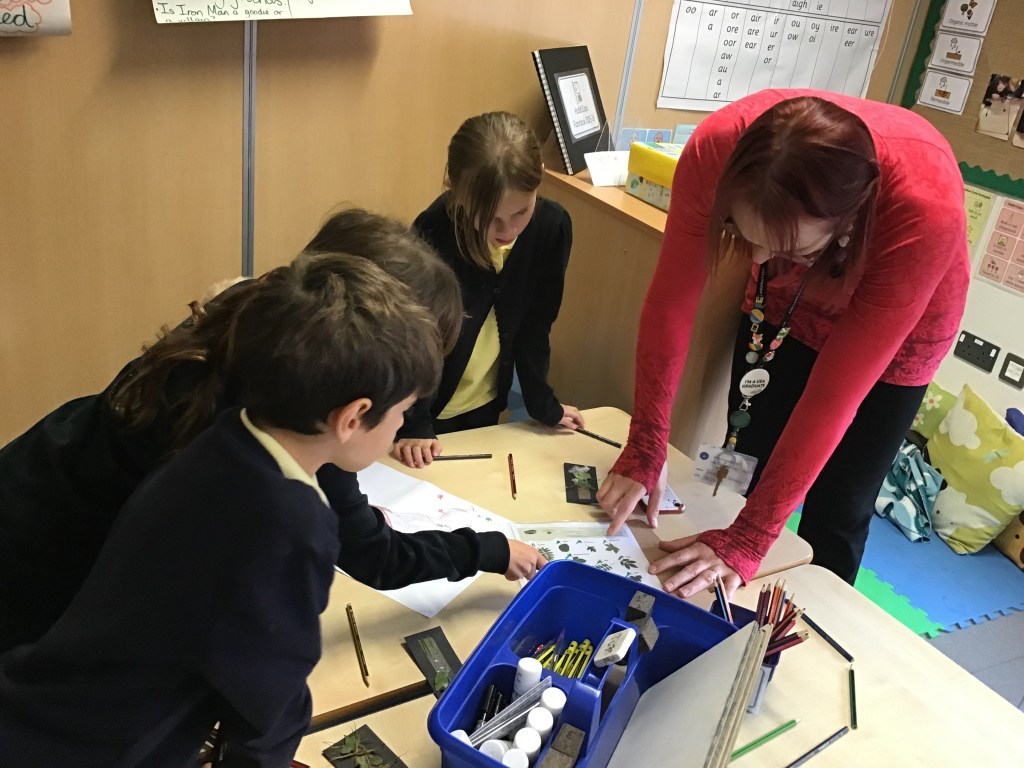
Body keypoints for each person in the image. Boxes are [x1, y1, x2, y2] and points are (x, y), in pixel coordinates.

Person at [0, 208, 545, 655]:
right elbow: (369, 557)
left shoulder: (260, 331)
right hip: (41, 574)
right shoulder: (271, 428)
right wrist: (489, 549)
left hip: (39, 478)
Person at [0, 252, 466, 764]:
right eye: (402, 413)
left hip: (48, 696)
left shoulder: (219, 441)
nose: (403, 426)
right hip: (104, 745)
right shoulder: (294, 526)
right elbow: (270, 707)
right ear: (354, 417)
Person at [596, 90, 969, 599]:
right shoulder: (718, 149)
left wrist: (750, 539)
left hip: (900, 324)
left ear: (850, 223)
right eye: (742, 231)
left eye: (787, 247)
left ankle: (812, 624)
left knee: (839, 504)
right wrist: (646, 443)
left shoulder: (924, 211)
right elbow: (670, 303)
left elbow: (833, 397)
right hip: (789, 304)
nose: (759, 255)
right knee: (743, 456)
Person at [391, 111, 584, 468]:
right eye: (489, 217)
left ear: (539, 179)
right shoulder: (432, 230)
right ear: (453, 186)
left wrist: (544, 405)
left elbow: (535, 327)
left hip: (484, 404)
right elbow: (413, 339)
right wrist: (414, 422)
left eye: (521, 212)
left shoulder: (551, 228)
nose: (507, 230)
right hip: (424, 413)